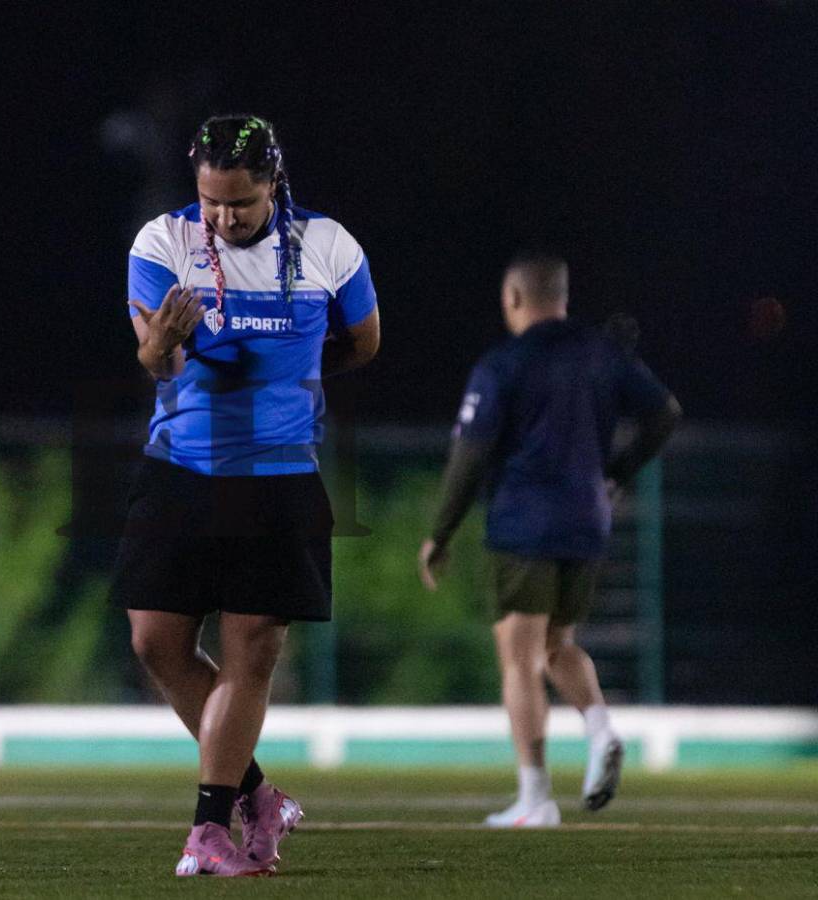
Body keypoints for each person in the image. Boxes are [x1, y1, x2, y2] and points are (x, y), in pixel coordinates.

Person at [110, 114, 380, 875]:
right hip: (181, 468)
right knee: (153, 642)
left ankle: (209, 826)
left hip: (279, 478)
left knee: (248, 656)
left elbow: (364, 340)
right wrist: (162, 341)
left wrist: (294, 370)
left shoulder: (329, 247)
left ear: (274, 185)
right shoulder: (162, 243)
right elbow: (154, 360)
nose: (223, 219)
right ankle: (258, 796)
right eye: (211, 202)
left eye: (241, 204)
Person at [418, 252, 680, 827]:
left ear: (514, 299)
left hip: (524, 522)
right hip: (588, 521)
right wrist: (616, 472)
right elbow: (664, 412)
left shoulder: (503, 363)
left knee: (518, 657)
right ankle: (601, 728)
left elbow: (470, 453)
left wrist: (440, 532)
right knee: (558, 644)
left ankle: (535, 797)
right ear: (562, 297)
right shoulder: (602, 353)